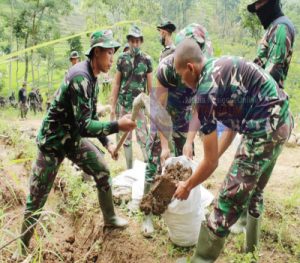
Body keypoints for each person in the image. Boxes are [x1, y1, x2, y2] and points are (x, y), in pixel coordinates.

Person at [13, 30, 137, 260]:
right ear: (96, 52)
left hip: (71, 138)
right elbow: (84, 126)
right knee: (37, 199)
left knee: (102, 170)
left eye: (113, 53)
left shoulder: (94, 78)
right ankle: (21, 249)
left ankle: (110, 219)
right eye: (109, 53)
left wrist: (108, 143)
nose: (112, 58)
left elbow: (90, 119)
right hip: (52, 142)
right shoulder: (80, 77)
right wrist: (117, 125)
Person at [173, 39, 293, 262]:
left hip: (263, 131)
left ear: (190, 67)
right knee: (255, 188)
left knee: (226, 202)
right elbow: (231, 124)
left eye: (181, 76)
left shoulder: (205, 92)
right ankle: (251, 253)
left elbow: (210, 163)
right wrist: (214, 157)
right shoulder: (219, 67)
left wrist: (188, 185)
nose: (183, 82)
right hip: (282, 121)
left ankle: (201, 259)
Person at [141, 23, 213, 237]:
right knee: (155, 163)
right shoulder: (167, 67)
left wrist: (190, 140)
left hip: (186, 118)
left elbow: (199, 107)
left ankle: (175, 211)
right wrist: (164, 144)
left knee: (183, 168)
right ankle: (147, 213)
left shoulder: (205, 65)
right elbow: (157, 106)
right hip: (163, 118)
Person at [231, 0, 296, 234]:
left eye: (259, 5)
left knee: (252, 169)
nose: (257, 10)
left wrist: (250, 102)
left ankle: (246, 227)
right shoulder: (273, 27)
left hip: (268, 110)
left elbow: (271, 72)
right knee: (255, 173)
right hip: (264, 107)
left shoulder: (281, 27)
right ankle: (247, 228)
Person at [111, 25, 153, 169]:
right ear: (128, 41)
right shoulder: (122, 59)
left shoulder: (146, 60)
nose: (135, 44)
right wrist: (112, 106)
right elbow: (116, 83)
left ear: (141, 42)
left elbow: (150, 87)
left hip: (139, 108)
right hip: (124, 106)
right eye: (132, 41)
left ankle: (149, 169)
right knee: (125, 138)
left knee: (143, 138)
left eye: (137, 41)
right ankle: (129, 169)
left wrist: (151, 107)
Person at [249, 0, 295, 90]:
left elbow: (273, 72)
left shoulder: (281, 27)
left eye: (260, 3)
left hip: (266, 98)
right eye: (256, 4)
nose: (257, 8)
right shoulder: (274, 26)